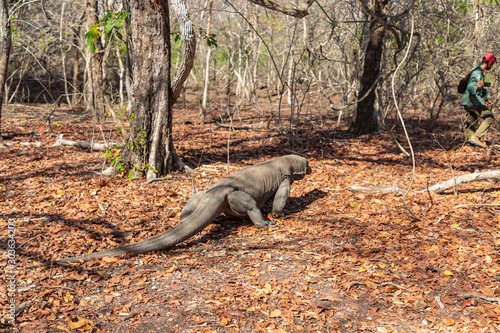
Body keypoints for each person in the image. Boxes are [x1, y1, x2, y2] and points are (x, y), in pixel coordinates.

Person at [462, 53, 497, 148]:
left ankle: (469, 145)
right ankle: (476, 137)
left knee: (472, 123)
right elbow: (470, 87)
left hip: (467, 101)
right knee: (489, 117)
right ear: (489, 62)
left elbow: (481, 87)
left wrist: (487, 97)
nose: (492, 66)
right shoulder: (477, 73)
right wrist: (476, 87)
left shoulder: (477, 70)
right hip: (472, 101)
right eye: (492, 64)